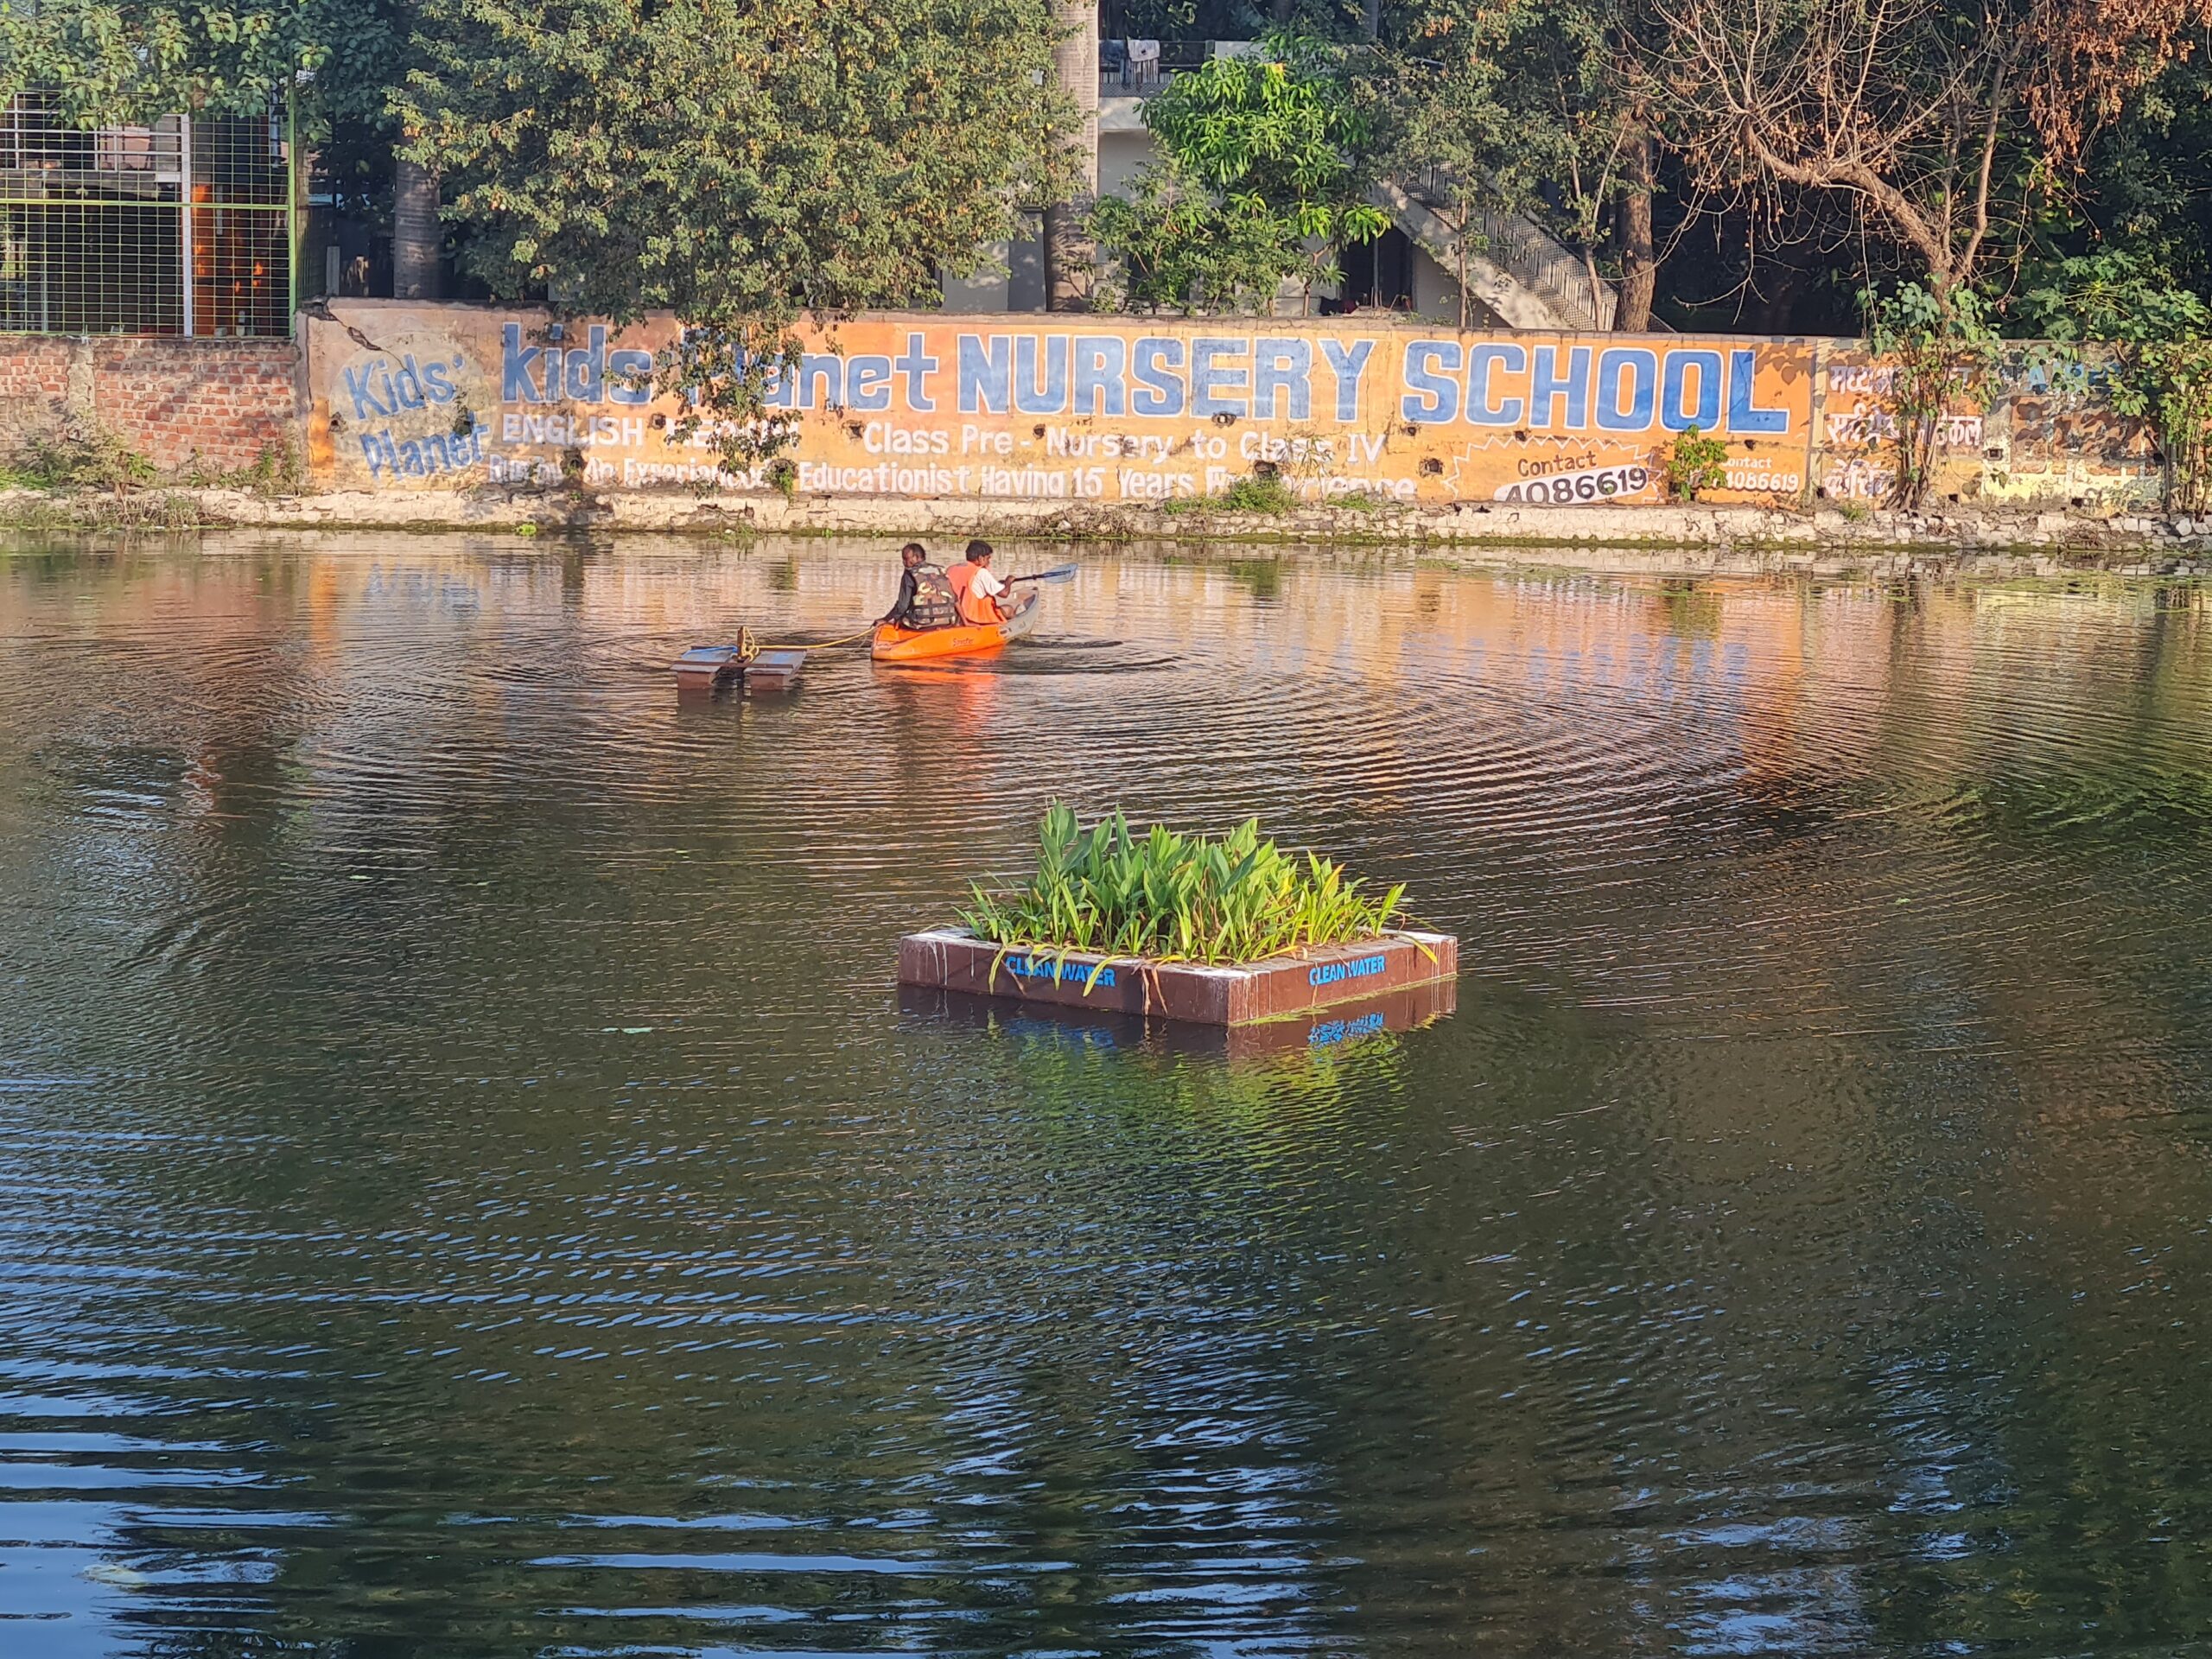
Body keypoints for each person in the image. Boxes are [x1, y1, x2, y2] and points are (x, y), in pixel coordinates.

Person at [879, 542, 959, 631]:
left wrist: (886, 619)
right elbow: (955, 599)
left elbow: (902, 606)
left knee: (901, 620)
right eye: (903, 559)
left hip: (923, 622)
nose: (904, 563)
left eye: (906, 559)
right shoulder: (941, 570)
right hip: (948, 620)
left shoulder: (909, 574)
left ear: (917, 557)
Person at [958, 539, 1012, 625]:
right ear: (981, 558)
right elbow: (1004, 594)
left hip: (958, 613)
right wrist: (1008, 581)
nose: (989, 562)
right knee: (1009, 610)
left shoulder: (955, 569)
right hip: (975, 615)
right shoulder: (982, 572)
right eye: (988, 558)